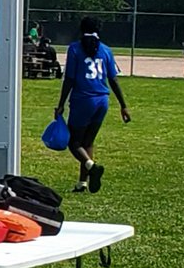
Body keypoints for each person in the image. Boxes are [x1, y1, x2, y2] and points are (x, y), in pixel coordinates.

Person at [54, 17, 130, 193]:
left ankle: (92, 167)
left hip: (83, 100)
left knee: (74, 142)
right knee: (88, 142)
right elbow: (113, 79)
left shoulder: (74, 49)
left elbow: (70, 79)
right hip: (102, 100)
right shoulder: (105, 50)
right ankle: (83, 182)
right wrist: (123, 105)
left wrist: (61, 104)